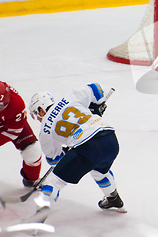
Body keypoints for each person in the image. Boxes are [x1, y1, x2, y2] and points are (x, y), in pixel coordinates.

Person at [28, 83, 125, 221]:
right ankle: (113, 198)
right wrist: (96, 107)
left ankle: (38, 218)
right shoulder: (69, 98)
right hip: (110, 139)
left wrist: (65, 154)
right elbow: (96, 89)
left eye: (37, 114)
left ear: (41, 110)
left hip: (88, 146)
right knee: (99, 170)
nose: (38, 118)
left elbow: (54, 160)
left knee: (54, 181)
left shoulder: (45, 132)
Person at [0, 81, 42, 187]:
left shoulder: (16, 104)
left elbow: (12, 132)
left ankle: (31, 179)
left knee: (32, 151)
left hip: (8, 124)